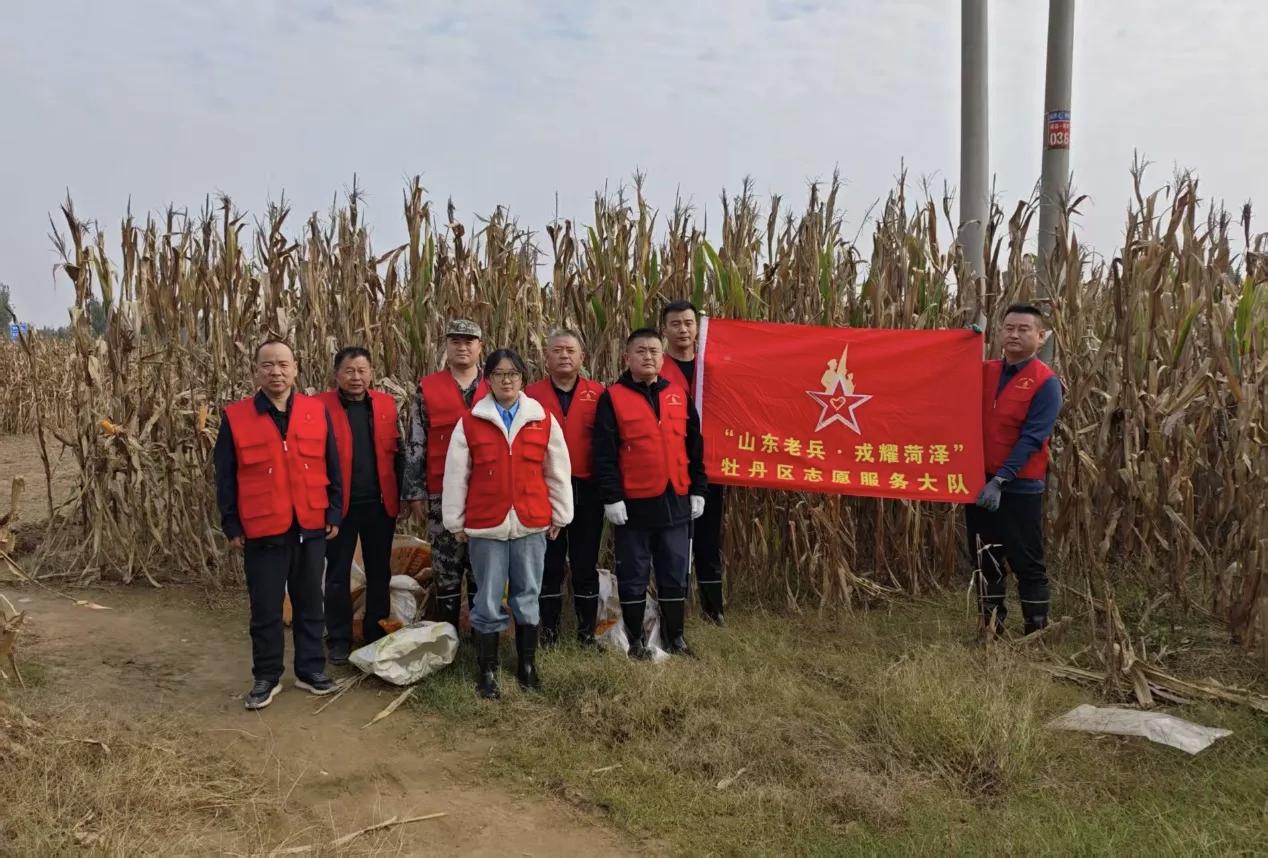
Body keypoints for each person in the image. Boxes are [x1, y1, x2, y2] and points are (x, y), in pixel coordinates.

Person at [214, 339, 341, 710]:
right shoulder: (236, 417)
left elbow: (332, 465)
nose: (276, 372)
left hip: (310, 523)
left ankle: (310, 669)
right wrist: (231, 523)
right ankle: (267, 676)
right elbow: (225, 476)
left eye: (283, 364)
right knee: (266, 608)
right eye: (268, 365)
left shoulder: (316, 412)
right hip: (262, 527)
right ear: (256, 371)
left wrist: (334, 511)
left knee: (310, 602)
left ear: (295, 368)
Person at [442, 349, 573, 698]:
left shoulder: (541, 419)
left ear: (523, 378)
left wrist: (561, 514)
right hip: (487, 524)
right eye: (499, 374)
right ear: (488, 379)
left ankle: (527, 666)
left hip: (530, 521)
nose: (506, 380)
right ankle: (487, 669)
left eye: (513, 373)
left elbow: (557, 470)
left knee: (527, 594)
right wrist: (455, 519)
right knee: (487, 598)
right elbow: (456, 475)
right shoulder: (471, 421)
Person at [592, 328, 708, 659]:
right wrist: (612, 497)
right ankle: (635, 640)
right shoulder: (613, 397)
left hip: (676, 500)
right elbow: (604, 453)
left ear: (662, 357)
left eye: (654, 351)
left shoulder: (678, 394)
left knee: (674, 571)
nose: (648, 357)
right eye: (640, 351)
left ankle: (675, 638)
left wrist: (698, 489)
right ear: (627, 357)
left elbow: (695, 446)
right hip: (634, 504)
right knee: (633, 573)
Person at [968, 304, 1063, 636]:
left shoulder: (1045, 383)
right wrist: (962, 345)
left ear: (1041, 337)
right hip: (979, 484)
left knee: (1027, 560)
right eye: (1009, 328)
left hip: (1019, 486)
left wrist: (1001, 479)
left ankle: (1036, 631)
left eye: (1024, 329)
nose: (1014, 335)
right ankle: (990, 627)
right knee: (986, 557)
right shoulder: (984, 372)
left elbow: (1033, 438)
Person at [315, 347, 402, 664]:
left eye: (362, 370)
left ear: (371, 374)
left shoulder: (385, 404)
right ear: (336, 374)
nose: (356, 377)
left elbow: (398, 454)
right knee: (337, 574)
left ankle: (375, 632)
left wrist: (403, 495)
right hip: (340, 508)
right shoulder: (318, 407)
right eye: (349, 371)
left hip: (379, 505)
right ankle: (339, 638)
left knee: (380, 572)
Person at [401, 319, 488, 631]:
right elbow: (416, 440)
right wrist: (415, 492)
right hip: (441, 492)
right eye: (455, 342)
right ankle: (447, 636)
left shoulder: (496, 385)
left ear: (480, 347)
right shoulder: (428, 387)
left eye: (469, 341)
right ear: (446, 346)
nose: (462, 347)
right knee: (446, 567)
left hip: (486, 493)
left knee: (481, 565)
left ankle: (481, 638)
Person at [524, 330, 606, 647]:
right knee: (550, 564)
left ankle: (586, 634)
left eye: (571, 350)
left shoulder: (598, 394)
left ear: (582, 357)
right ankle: (549, 633)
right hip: (545, 490)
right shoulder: (530, 395)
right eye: (557, 350)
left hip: (587, 489)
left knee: (585, 562)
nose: (564, 356)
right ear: (546, 357)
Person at [658, 300, 727, 625]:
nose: (683, 330)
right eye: (675, 324)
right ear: (664, 330)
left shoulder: (712, 367)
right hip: (668, 470)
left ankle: (714, 610)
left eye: (688, 323)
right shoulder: (655, 368)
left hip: (710, 467)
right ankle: (673, 607)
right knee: (671, 542)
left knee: (708, 539)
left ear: (697, 328)